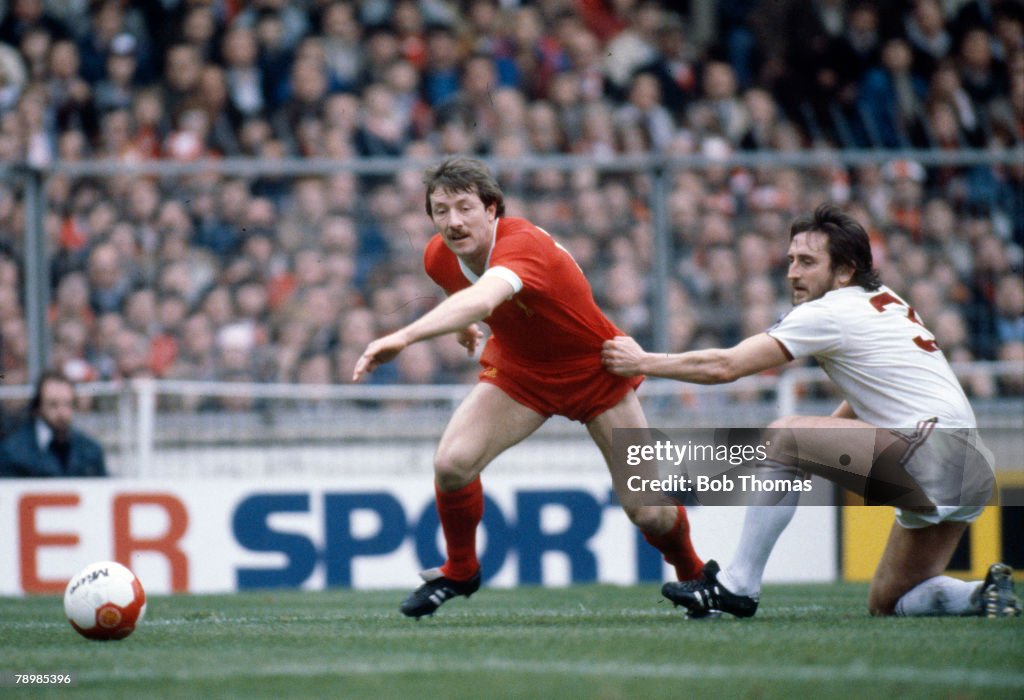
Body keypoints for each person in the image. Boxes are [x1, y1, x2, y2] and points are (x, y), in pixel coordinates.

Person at [602, 204, 1020, 619]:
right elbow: (868, 394)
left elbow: (726, 366)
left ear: (844, 270)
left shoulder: (827, 311)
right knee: (889, 603)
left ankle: (736, 585)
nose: (792, 273)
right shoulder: (884, 300)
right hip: (968, 464)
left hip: (931, 452)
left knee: (784, 434)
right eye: (790, 260)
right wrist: (813, 451)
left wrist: (643, 361)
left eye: (807, 262)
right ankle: (982, 595)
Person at [353, 156, 703, 618]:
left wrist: (404, 335)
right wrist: (465, 325)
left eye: (464, 208)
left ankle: (696, 578)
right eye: (441, 211)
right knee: (452, 464)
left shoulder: (522, 244)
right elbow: (463, 294)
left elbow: (483, 295)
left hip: (595, 370)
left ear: (492, 209)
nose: (453, 221)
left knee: (649, 512)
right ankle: (460, 571)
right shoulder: (438, 255)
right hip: (522, 371)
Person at [0, 370, 107, 477]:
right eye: (53, 405)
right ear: (38, 407)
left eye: (67, 404)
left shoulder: (90, 451)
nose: (61, 412)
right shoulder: (13, 452)